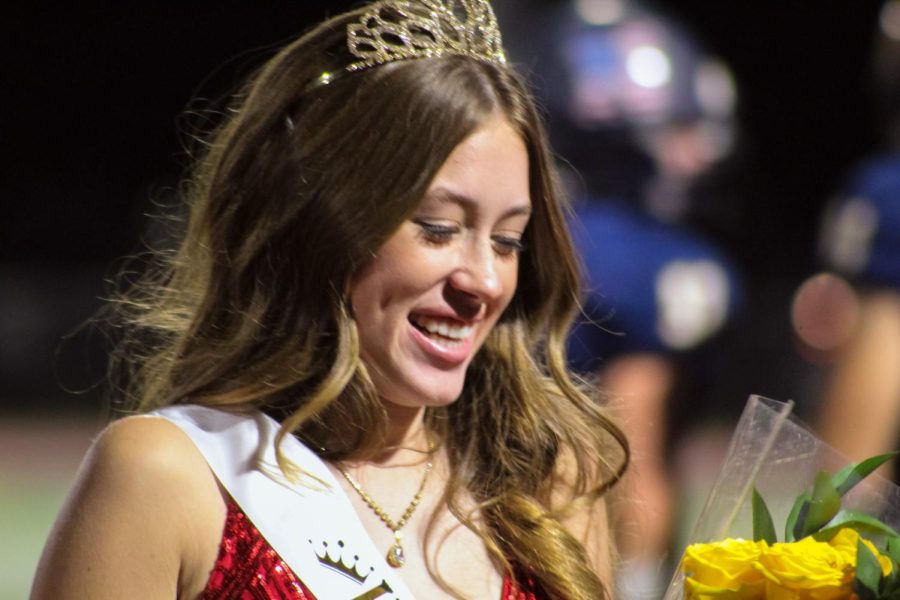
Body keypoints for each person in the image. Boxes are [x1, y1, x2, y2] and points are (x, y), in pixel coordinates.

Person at [31, 1, 629, 599]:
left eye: (507, 241)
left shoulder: (547, 482)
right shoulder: (168, 477)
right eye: (439, 229)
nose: (484, 282)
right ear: (328, 224)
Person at [494, 1, 741, 597]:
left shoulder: (553, 37)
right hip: (642, 257)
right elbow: (702, 131)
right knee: (631, 445)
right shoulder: (653, 34)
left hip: (559, 242)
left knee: (562, 446)